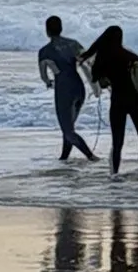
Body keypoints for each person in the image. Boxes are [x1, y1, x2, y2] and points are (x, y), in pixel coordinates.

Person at [86, 22, 138, 178]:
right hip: (135, 100)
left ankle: (114, 174)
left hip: (117, 102)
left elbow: (101, 84)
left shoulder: (103, 60)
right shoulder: (130, 56)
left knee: (117, 142)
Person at [38, 15, 96, 162]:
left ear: (47, 31)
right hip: (79, 88)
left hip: (63, 90)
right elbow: (88, 63)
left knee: (68, 130)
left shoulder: (45, 51)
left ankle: (91, 156)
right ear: (61, 28)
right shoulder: (74, 44)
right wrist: (96, 85)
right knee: (68, 128)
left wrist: (49, 83)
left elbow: (44, 76)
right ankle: (64, 158)